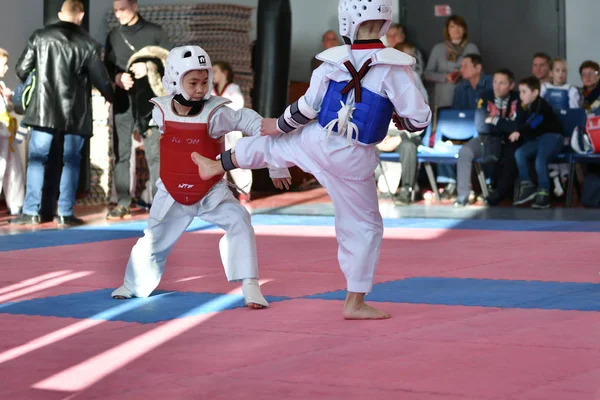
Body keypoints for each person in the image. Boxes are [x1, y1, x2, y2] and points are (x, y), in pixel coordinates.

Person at [191, 0, 431, 320]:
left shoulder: (332, 61)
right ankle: (355, 301)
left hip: (318, 140)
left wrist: (277, 125)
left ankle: (217, 163)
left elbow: (306, 107)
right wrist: (401, 120)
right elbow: (418, 118)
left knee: (274, 147)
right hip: (353, 157)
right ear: (385, 21)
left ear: (347, 21)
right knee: (363, 226)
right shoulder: (395, 67)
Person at [111, 45, 292, 308]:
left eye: (205, 82)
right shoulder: (160, 110)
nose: (200, 88)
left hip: (210, 191)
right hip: (172, 190)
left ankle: (250, 286)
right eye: (193, 82)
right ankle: (132, 284)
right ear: (174, 79)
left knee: (240, 220)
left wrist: (276, 163)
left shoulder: (216, 112)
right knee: (153, 238)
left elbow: (252, 123)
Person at [11, 0, 113, 226]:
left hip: (42, 110)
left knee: (37, 159)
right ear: (81, 15)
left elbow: (21, 69)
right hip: (74, 113)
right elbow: (101, 79)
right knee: (71, 161)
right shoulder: (88, 43)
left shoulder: (40, 36)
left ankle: (30, 211)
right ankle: (65, 213)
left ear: (60, 14)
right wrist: (112, 97)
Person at [105, 0, 170, 220]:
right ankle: (122, 202)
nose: (118, 14)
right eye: (115, 10)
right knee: (121, 154)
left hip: (150, 104)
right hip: (123, 102)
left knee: (155, 155)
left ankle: (160, 204)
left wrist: (149, 67)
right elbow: (107, 66)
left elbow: (170, 64)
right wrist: (117, 77)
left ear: (135, 6)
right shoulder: (113, 35)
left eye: (122, 9)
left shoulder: (155, 32)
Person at [512, 76, 564, 209]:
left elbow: (533, 122)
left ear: (535, 93)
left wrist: (519, 131)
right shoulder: (523, 106)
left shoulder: (542, 105)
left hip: (553, 137)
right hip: (539, 140)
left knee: (540, 159)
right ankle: (527, 185)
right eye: (520, 92)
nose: (521, 95)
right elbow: (518, 122)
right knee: (519, 153)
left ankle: (544, 192)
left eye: (524, 92)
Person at [212, 61, 253, 202]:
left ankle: (244, 191)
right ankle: (218, 193)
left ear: (225, 73)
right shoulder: (211, 91)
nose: (213, 75)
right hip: (215, 132)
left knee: (236, 161)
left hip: (231, 131)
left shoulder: (233, 89)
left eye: (215, 71)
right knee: (216, 163)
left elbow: (236, 108)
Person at [0, 48, 25, 216]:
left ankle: (16, 204)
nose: (6, 68)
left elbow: (6, 109)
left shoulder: (1, 86)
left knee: (14, 170)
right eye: (4, 64)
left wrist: (8, 100)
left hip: (6, 135)